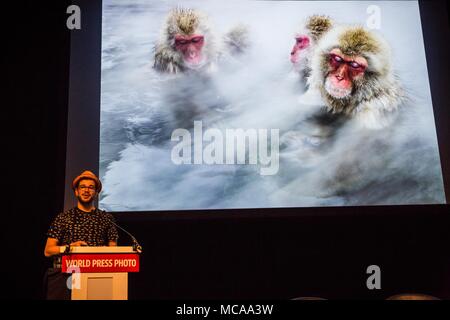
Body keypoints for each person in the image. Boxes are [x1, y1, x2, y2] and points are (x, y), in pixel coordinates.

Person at [43, 170, 119, 299]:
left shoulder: (107, 218)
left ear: (96, 193)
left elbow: (114, 249)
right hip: (69, 275)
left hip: (97, 275)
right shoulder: (63, 218)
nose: (86, 190)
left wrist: (101, 251)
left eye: (91, 187)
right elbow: (48, 251)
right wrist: (70, 248)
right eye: (82, 187)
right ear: (76, 191)